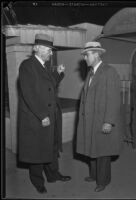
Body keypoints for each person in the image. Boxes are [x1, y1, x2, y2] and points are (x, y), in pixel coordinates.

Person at [18, 33, 71, 194]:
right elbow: (29, 94)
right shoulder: (27, 65)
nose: (51, 53)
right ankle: (37, 181)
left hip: (51, 115)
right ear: (38, 48)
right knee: (38, 150)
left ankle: (53, 175)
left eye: (51, 50)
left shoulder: (43, 67)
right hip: (38, 117)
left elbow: (47, 87)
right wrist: (43, 115)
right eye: (48, 49)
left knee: (52, 147)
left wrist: (58, 74)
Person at [76, 41, 123, 192]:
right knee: (92, 149)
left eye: (87, 55)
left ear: (96, 54)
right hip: (90, 120)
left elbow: (114, 99)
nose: (84, 58)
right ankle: (94, 175)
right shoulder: (91, 72)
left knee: (102, 152)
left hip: (102, 120)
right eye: (84, 55)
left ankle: (103, 181)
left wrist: (108, 121)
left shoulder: (109, 71)